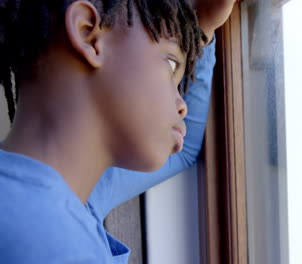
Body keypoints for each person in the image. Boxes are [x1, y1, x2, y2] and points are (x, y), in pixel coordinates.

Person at [0, 0, 235, 263]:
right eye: (170, 64)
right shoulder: (49, 242)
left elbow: (183, 150)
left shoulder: (63, 198)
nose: (182, 105)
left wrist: (202, 29)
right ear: (87, 33)